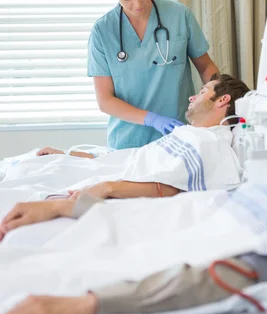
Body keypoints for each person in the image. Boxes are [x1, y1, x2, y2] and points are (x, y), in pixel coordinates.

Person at [0, 68, 267, 314]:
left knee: (22, 271)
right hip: (138, 231)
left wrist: (86, 304)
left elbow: (221, 278)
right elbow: (185, 210)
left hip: (125, 269)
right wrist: (69, 205)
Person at [0, 74, 250, 230]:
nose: (192, 97)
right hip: (109, 167)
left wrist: (107, 187)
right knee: (31, 165)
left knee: (19, 190)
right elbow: (140, 160)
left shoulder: (207, 143)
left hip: (109, 181)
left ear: (222, 100)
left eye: (204, 91)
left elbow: (170, 188)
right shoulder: (189, 134)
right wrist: (73, 155)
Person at [88, 0, 219, 150]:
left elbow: (205, 67)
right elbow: (105, 100)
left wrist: (219, 96)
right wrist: (152, 119)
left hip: (178, 136)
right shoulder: (103, 31)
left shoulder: (179, 15)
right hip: (128, 142)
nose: (138, 4)